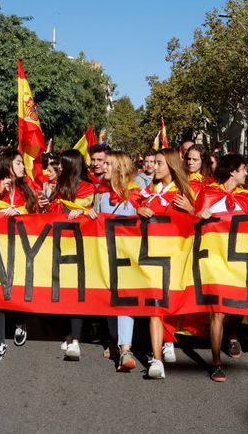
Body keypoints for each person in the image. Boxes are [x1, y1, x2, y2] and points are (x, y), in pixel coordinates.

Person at [195, 153, 248, 382]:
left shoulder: (245, 197)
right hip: (213, 260)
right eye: (243, 169)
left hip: (237, 261)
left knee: (236, 304)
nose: (246, 173)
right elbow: (192, 224)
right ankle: (215, 362)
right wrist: (199, 215)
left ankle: (232, 335)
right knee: (217, 311)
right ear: (233, 171)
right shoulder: (208, 192)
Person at [137, 148, 194, 379]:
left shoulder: (184, 192)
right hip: (151, 259)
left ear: (171, 165)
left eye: (159, 163)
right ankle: (156, 359)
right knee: (155, 306)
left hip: (176, 259)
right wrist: (138, 210)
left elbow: (198, 223)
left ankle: (168, 340)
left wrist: (191, 210)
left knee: (170, 304)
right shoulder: (147, 193)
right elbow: (133, 219)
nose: (154, 166)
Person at [0, 148, 37, 361]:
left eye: (23, 163)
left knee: (17, 289)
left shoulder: (27, 187)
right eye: (19, 163)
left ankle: (20, 322)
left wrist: (20, 212)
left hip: (21, 248)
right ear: (7, 166)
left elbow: (35, 213)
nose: (23, 166)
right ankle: (1, 343)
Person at [41, 149, 97, 361]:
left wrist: (81, 213)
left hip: (78, 248)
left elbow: (88, 212)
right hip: (56, 246)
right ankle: (68, 332)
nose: (58, 168)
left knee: (76, 293)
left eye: (62, 164)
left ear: (72, 165)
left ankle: (75, 340)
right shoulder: (58, 187)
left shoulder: (87, 187)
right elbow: (54, 214)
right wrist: (45, 206)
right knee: (60, 293)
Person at [95, 151, 142, 372]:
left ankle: (126, 349)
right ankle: (114, 340)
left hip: (129, 256)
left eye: (108, 164)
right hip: (105, 255)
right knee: (109, 299)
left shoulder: (136, 194)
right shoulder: (100, 194)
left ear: (119, 168)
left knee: (125, 300)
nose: (103, 167)